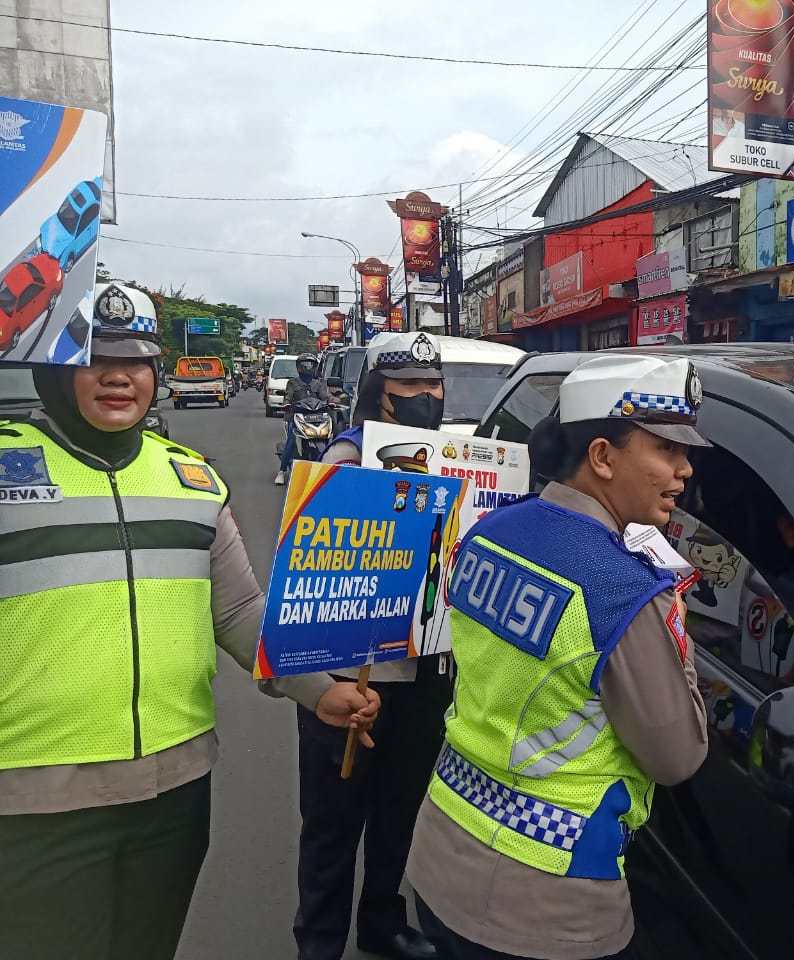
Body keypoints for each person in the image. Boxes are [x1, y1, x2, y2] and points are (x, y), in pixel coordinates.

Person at [0, 282, 381, 960]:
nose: (120, 374)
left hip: (173, 793)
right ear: (53, 368)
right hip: (28, 803)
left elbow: (238, 612)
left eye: (139, 359)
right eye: (93, 357)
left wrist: (320, 690)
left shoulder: (191, 479)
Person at [406, 354, 712, 960]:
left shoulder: (488, 533)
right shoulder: (622, 590)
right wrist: (675, 628)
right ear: (601, 456)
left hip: (440, 852)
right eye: (666, 451)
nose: (684, 471)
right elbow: (678, 756)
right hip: (550, 903)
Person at [290, 330, 452, 960]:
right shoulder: (346, 460)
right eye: (409, 386)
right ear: (379, 394)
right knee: (333, 821)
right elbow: (309, 561)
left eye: (432, 386)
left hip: (428, 670)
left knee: (400, 812)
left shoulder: (456, 459)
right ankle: (319, 940)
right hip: (349, 676)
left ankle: (382, 921)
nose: (424, 397)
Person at [275, 351, 329, 485]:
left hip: (316, 416)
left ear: (314, 367)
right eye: (304, 365)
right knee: (292, 441)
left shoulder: (319, 383)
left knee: (328, 437)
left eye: (310, 365)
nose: (307, 368)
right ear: (299, 367)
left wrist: (334, 401)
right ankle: (281, 471)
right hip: (297, 416)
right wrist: (286, 404)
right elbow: (287, 397)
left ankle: (329, 468)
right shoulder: (292, 383)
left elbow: (325, 397)